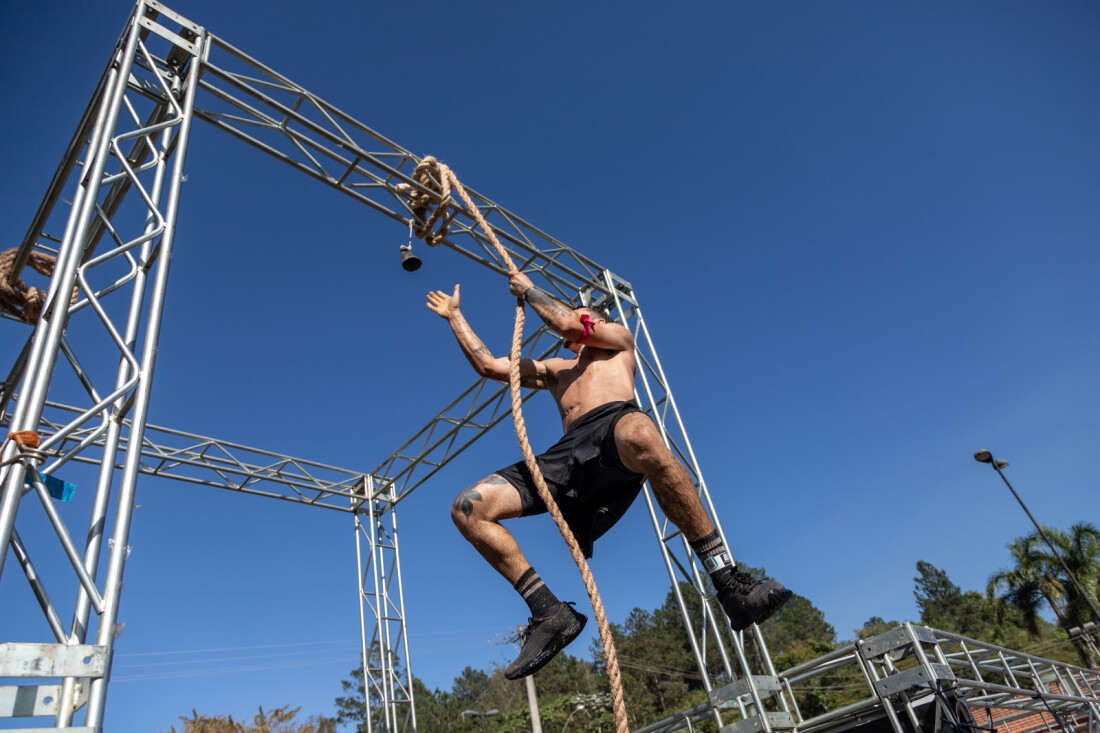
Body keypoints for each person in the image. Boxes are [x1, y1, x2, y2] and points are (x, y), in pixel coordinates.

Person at [425, 272, 791, 680]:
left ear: (592, 320)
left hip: (614, 430)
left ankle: (728, 581)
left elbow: (566, 322)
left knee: (640, 432)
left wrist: (529, 290)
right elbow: (489, 366)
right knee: (467, 508)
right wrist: (455, 317)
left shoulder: (617, 338)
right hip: (567, 459)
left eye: (577, 318)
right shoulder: (557, 371)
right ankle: (548, 613)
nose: (566, 329)